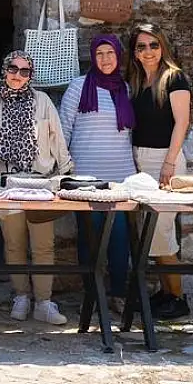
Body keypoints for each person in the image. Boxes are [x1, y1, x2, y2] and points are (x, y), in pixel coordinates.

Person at [0, 50, 73, 325]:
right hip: (5, 184)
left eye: (25, 71)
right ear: (4, 70)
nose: (18, 75)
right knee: (14, 243)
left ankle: (44, 302)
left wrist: (66, 174)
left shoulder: (42, 103)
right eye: (13, 69)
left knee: (43, 245)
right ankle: (21, 296)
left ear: (31, 75)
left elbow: (57, 139)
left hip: (38, 184)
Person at [59, 34, 137, 315]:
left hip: (121, 178)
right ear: (93, 57)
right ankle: (92, 294)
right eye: (100, 53)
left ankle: (117, 292)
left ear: (118, 56)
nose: (105, 59)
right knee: (89, 238)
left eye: (110, 54)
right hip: (86, 178)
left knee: (119, 238)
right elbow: (63, 129)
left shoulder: (126, 89)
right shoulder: (79, 87)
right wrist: (64, 170)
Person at [127, 24, 192, 320]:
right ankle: (165, 293)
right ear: (135, 53)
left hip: (164, 161)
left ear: (162, 46)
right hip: (142, 160)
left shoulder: (174, 78)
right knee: (150, 231)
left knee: (162, 232)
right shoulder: (139, 80)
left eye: (153, 45)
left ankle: (178, 298)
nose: (148, 51)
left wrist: (169, 162)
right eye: (141, 47)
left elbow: (181, 122)